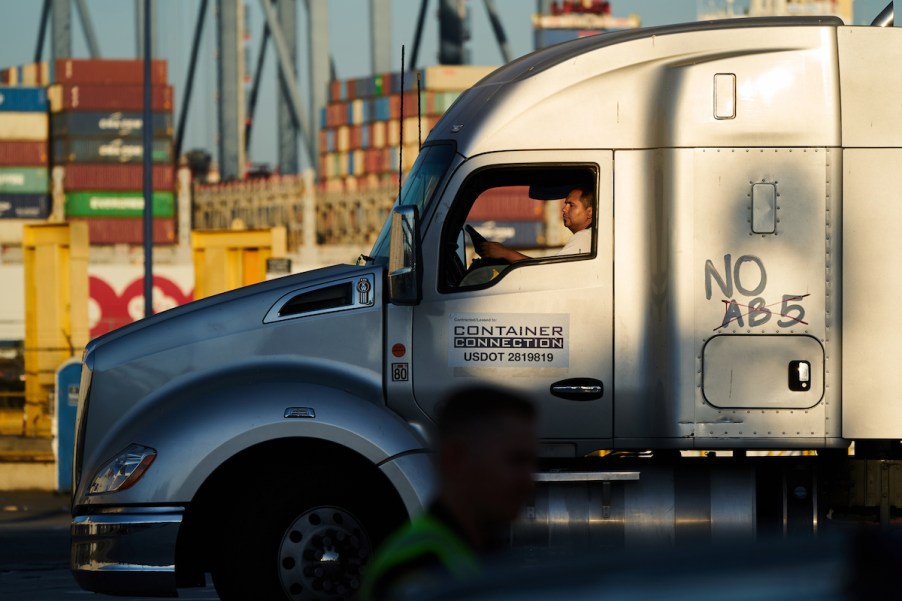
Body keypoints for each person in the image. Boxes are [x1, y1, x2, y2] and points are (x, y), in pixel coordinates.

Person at [360, 388, 537, 600]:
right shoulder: (414, 569)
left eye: (532, 463)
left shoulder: (479, 551)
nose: (528, 481)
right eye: (516, 461)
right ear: (456, 457)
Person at [477, 187, 594, 263]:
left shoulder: (583, 238)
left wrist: (505, 253)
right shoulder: (589, 237)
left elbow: (548, 271)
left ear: (589, 212)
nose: (564, 209)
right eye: (565, 204)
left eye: (571, 205)